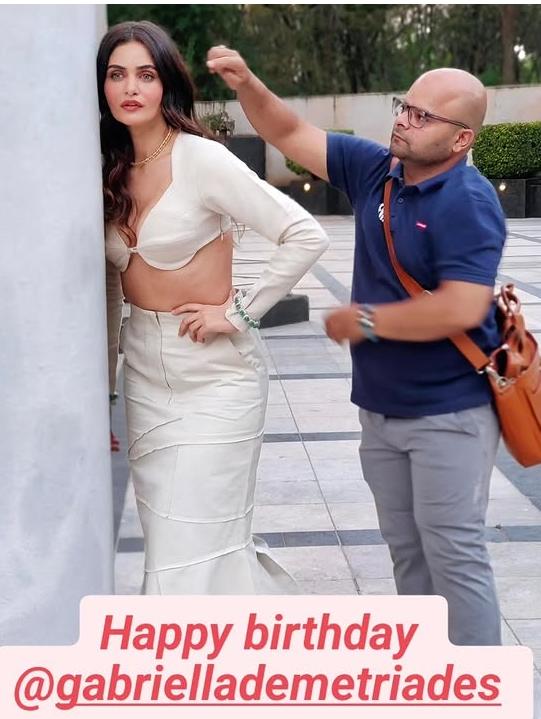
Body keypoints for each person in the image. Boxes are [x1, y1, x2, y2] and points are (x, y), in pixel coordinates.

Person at [208, 47, 506, 645]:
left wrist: (366, 322)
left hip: (450, 413)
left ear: (461, 138)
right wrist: (247, 83)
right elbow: (289, 131)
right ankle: (429, 670)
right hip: (381, 409)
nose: (404, 121)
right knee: (407, 551)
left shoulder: (469, 203)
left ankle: (482, 684)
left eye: (423, 116)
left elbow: (462, 307)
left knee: (455, 557)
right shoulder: (377, 171)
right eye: (405, 107)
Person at [99, 21, 329, 595]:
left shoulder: (201, 159)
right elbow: (108, 287)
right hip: (145, 379)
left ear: (166, 84)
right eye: (117, 75)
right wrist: (104, 391)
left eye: (145, 75)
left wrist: (239, 313)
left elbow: (304, 234)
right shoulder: (105, 170)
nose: (131, 87)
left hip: (217, 377)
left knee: (197, 550)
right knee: (170, 552)